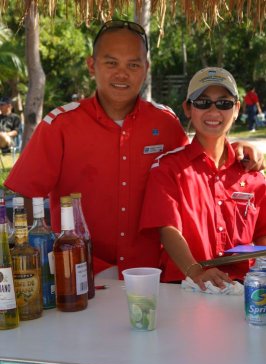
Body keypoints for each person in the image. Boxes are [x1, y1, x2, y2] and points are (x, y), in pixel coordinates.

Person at [4, 21, 265, 279]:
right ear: (92, 66)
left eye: (133, 64)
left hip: (153, 276)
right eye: (111, 63)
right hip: (83, 273)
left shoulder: (165, 122)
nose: (122, 73)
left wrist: (235, 148)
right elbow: (22, 198)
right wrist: (47, 255)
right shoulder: (59, 125)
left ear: (146, 69)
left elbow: (195, 166)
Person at [140, 67, 266, 290]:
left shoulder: (253, 173)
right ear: (188, 108)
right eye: (203, 102)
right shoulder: (168, 168)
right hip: (184, 287)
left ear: (236, 109)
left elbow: (262, 235)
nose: (214, 111)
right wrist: (196, 272)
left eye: (224, 103)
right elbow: (168, 230)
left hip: (242, 292)